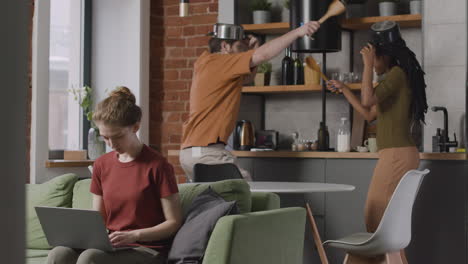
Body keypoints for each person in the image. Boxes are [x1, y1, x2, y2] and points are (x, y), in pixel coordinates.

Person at [326, 21, 427, 264]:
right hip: (396, 154)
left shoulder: (396, 74)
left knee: (377, 220)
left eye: (374, 58)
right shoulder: (395, 78)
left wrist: (368, 64)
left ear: (383, 56)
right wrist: (344, 89)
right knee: (385, 225)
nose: (373, 64)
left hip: (396, 155)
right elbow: (369, 113)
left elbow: (368, 98)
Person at [47, 87, 183, 264]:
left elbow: (173, 222)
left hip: (147, 249)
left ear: (135, 127)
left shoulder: (159, 166)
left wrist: (134, 234)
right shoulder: (101, 165)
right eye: (105, 138)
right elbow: (98, 217)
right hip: (112, 245)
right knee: (59, 254)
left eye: (117, 136)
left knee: (91, 258)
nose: (111, 144)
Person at [180, 22, 321, 181]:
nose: (244, 53)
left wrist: (251, 51)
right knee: (245, 190)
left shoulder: (207, 63)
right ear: (225, 46)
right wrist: (298, 32)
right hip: (206, 152)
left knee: (213, 202)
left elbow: (248, 77)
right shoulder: (218, 61)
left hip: (193, 151)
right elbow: (263, 55)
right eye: (240, 47)